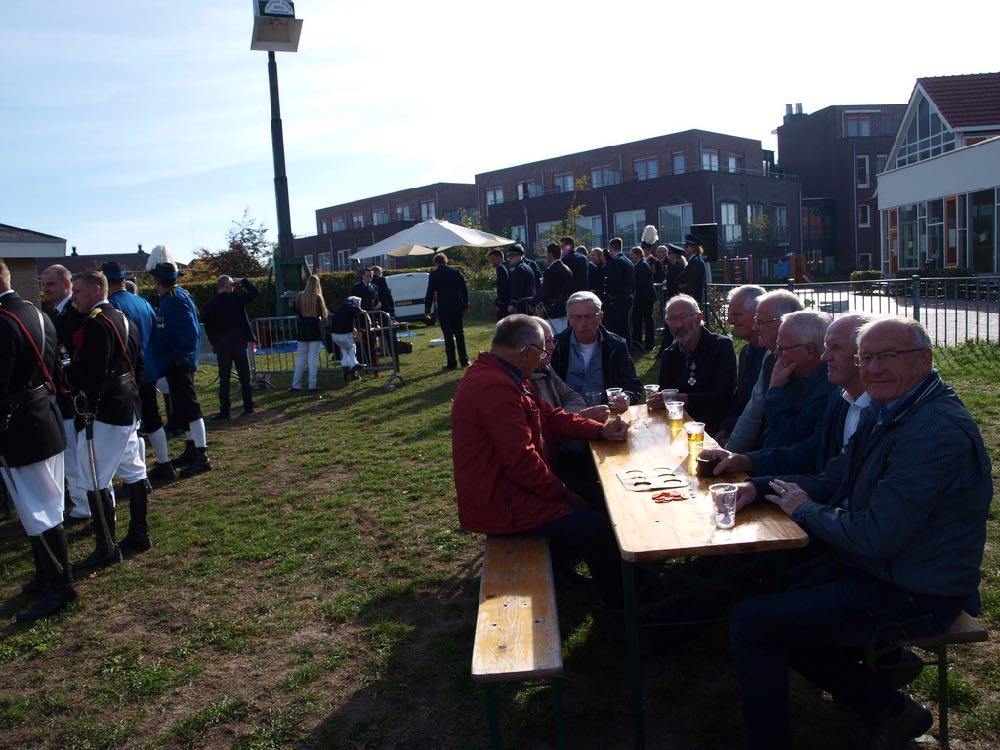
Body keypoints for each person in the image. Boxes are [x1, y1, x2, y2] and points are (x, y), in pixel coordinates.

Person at [728, 317, 992, 750]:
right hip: (884, 568)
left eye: (889, 355)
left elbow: (875, 536)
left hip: (919, 588)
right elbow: (834, 477)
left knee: (755, 621)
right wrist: (758, 487)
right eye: (866, 357)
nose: (873, 368)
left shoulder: (932, 430)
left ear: (925, 360)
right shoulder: (891, 408)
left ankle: (867, 707)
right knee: (769, 588)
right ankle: (887, 695)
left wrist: (806, 509)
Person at [450, 314, 630, 607]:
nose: (545, 359)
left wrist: (599, 430)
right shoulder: (495, 387)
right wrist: (565, 495)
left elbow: (549, 416)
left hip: (512, 492)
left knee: (602, 496)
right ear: (525, 352)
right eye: (543, 352)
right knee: (597, 527)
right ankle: (624, 608)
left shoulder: (508, 375)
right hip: (503, 504)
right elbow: (522, 464)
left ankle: (615, 583)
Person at [0, 258, 76, 622]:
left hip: (21, 426)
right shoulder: (37, 313)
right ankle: (47, 574)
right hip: (43, 416)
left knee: (40, 509)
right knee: (43, 506)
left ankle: (63, 586)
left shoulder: (3, 321)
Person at [708, 313, 876, 477]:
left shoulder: (830, 392)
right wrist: (742, 460)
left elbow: (789, 439)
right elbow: (810, 454)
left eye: (782, 348)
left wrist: (775, 391)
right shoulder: (840, 397)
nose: (825, 357)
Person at [68, 270, 145, 570]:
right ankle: (139, 533)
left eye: (79, 291)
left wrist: (69, 377)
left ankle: (106, 547)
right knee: (132, 468)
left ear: (97, 290)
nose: (75, 296)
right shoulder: (125, 319)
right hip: (127, 401)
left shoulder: (98, 324)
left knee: (93, 475)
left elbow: (91, 373)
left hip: (108, 407)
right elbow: (139, 365)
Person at [147, 253, 212, 477]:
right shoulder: (171, 297)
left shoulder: (175, 298)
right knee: (183, 408)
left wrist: (182, 359)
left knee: (191, 409)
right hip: (173, 361)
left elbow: (189, 333)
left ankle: (202, 454)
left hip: (178, 362)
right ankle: (192, 448)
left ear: (157, 280)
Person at [39, 263, 90, 521]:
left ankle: (84, 504)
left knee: (74, 453)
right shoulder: (60, 313)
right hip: (63, 394)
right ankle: (81, 500)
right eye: (43, 284)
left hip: (70, 396)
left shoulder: (73, 314)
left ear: (66, 284)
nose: (45, 289)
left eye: (51, 284)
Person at [725, 290, 804, 452]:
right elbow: (751, 413)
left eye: (759, 321)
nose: (755, 327)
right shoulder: (769, 357)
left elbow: (793, 441)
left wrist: (747, 460)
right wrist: (729, 453)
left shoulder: (813, 367)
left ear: (785, 323)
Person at [649, 294, 736, 435]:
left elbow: (724, 394)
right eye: (672, 319)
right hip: (676, 426)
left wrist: (685, 399)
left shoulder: (721, 346)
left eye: (683, 316)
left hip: (713, 426)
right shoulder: (669, 353)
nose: (678, 325)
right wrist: (658, 400)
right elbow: (665, 393)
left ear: (699, 317)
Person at [550, 291, 643, 407]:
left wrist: (626, 397)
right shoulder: (555, 346)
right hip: (567, 416)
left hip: (605, 411)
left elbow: (632, 385)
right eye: (577, 317)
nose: (583, 323)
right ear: (569, 318)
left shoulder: (616, 345)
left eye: (589, 316)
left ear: (600, 317)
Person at [715, 285, 768, 444]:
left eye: (736, 314)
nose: (730, 320)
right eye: (730, 314)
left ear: (758, 313)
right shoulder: (747, 351)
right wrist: (725, 428)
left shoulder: (777, 356)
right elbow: (740, 399)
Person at [202, 274, 259, 420]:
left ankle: (225, 410)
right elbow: (255, 292)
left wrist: (215, 343)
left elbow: (209, 328)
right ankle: (248, 406)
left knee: (225, 378)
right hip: (238, 344)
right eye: (232, 284)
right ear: (226, 286)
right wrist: (244, 280)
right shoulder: (237, 299)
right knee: (244, 377)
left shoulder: (210, 305)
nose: (234, 286)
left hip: (222, 346)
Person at [423, 253, 469, 370]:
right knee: (460, 333)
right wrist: (465, 305)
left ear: (436, 263)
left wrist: (427, 309)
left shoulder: (434, 275)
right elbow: (464, 290)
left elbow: (430, 293)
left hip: (444, 308)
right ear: (446, 261)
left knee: (448, 336)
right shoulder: (456, 272)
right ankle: (464, 360)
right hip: (457, 306)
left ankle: (451, 362)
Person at [290, 274, 328, 392]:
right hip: (314, 328)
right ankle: (312, 385)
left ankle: (295, 385)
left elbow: (294, 309)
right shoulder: (318, 297)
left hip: (302, 328)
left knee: (301, 358)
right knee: (313, 358)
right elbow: (324, 313)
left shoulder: (300, 296)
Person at [602, 237, 635, 346]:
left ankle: (616, 350)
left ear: (611, 248)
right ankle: (627, 349)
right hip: (626, 297)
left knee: (614, 329)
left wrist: (610, 297)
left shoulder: (616, 262)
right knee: (625, 328)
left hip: (616, 300)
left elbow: (613, 281)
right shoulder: (628, 261)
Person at [537, 243, 572, 334]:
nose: (546, 256)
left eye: (547, 254)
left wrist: (533, 303)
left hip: (552, 309)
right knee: (563, 333)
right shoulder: (567, 269)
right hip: (564, 307)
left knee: (554, 336)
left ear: (551, 254)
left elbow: (544, 290)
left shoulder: (550, 270)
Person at [328, 295, 363, 381]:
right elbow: (359, 311)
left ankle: (345, 368)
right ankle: (354, 364)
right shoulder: (351, 306)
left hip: (334, 335)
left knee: (343, 349)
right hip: (344, 334)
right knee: (352, 347)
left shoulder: (340, 307)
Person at [629, 245, 656, 352]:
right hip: (642, 297)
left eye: (632, 254)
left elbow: (640, 282)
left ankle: (649, 344)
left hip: (645, 298)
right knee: (638, 320)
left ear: (638, 255)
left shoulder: (643, 266)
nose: (630, 256)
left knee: (647, 320)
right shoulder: (639, 265)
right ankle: (638, 343)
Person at [678, 233, 708, 307]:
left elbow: (687, 281)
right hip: (692, 299)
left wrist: (682, 284)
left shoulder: (695, 262)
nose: (684, 248)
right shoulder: (694, 261)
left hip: (693, 299)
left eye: (687, 246)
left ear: (693, 248)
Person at [505, 245, 536, 314]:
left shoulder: (519, 269)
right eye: (509, 256)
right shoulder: (527, 267)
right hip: (529, 304)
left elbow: (518, 289)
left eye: (512, 256)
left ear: (519, 256)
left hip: (522, 305)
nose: (509, 259)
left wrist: (513, 304)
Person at [487, 248, 510, 321]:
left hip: (504, 304)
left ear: (499, 258)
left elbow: (503, 288)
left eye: (492, 259)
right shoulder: (508, 265)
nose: (491, 262)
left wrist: (499, 303)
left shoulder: (500, 268)